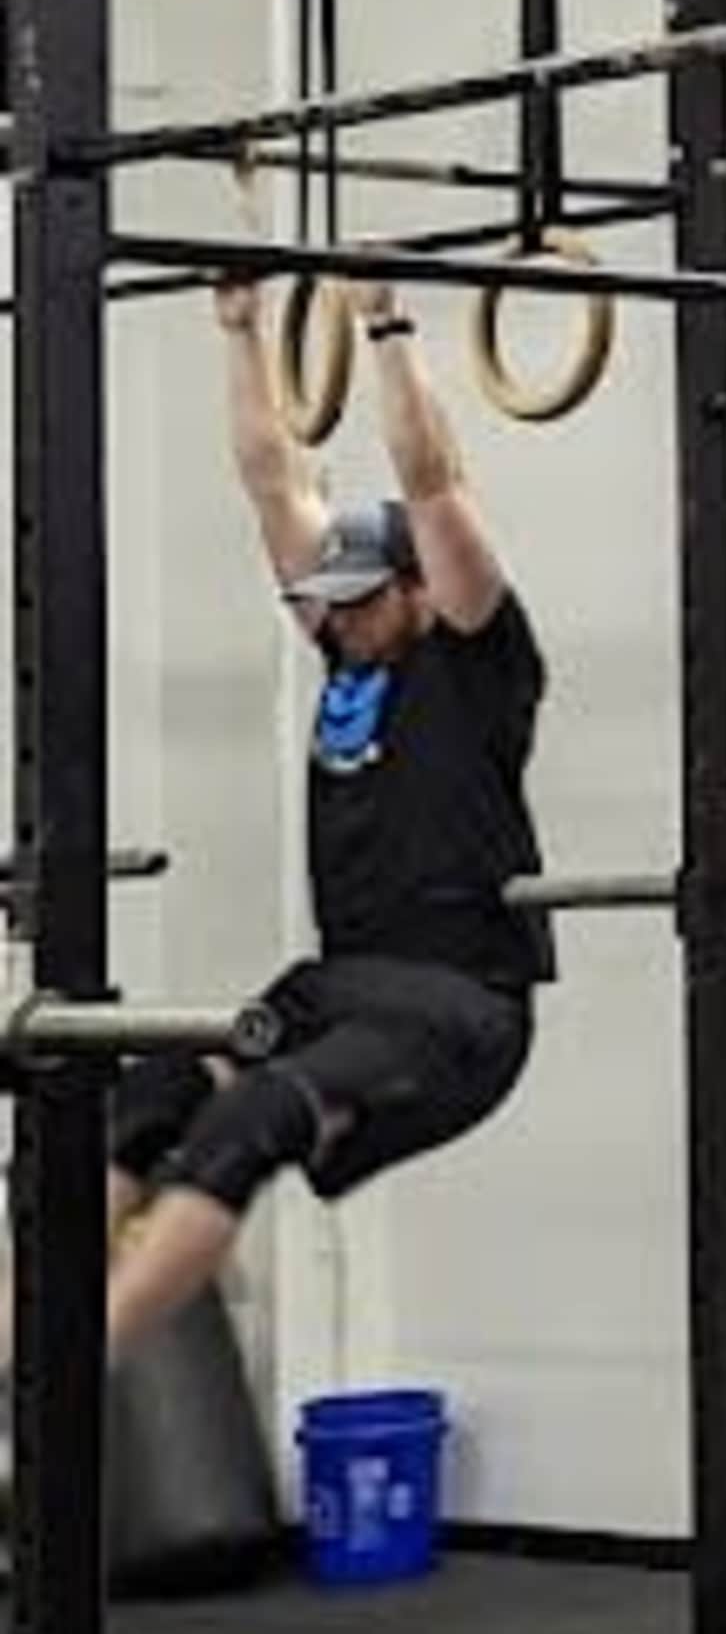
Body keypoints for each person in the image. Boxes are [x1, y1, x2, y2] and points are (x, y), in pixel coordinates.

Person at [102, 272, 552, 1364]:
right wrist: (241, 328)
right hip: (339, 983)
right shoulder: (348, 651)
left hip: (459, 1008)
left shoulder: (473, 658)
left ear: (419, 588)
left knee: (243, 1127)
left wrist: (387, 326)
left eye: (358, 596)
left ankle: (68, 1382)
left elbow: (434, 480)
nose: (334, 614)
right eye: (326, 599)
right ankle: (18, 1362)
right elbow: (270, 479)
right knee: (136, 1104)